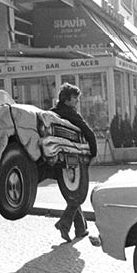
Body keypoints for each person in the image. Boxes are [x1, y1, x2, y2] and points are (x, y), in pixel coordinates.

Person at [51, 83, 97, 242]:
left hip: (57, 158)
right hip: (74, 159)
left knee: (72, 194)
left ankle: (80, 229)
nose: (77, 101)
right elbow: (88, 132)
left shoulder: (52, 113)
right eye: (75, 98)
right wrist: (93, 152)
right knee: (79, 194)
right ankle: (64, 224)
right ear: (67, 99)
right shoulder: (71, 114)